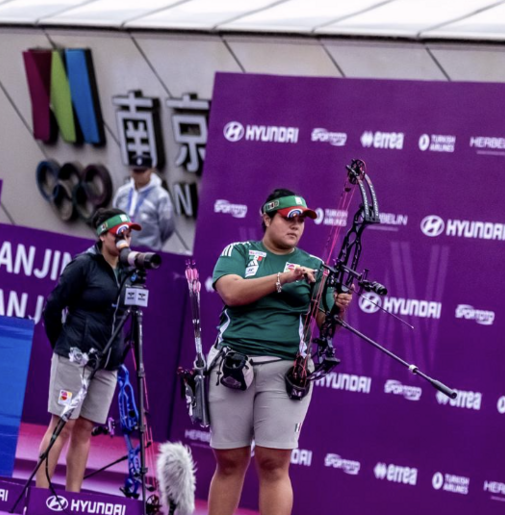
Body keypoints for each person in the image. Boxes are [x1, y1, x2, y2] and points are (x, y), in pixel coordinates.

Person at [206, 190, 352, 515]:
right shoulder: (240, 251)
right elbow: (230, 292)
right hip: (233, 364)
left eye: (301, 220)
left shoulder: (315, 265)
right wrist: (283, 279)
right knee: (230, 460)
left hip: (287, 371)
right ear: (267, 217)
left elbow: (326, 326)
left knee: (274, 462)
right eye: (289, 218)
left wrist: (339, 308)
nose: (296, 226)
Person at [35, 208, 140, 492]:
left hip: (108, 363)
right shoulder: (83, 264)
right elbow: (53, 308)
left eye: (129, 233)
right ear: (103, 234)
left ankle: (74, 497)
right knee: (62, 425)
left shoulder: (130, 270)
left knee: (84, 430)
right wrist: (65, 346)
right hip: (75, 355)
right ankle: (40, 495)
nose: (126, 239)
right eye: (120, 233)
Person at [112, 154, 175, 251]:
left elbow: (167, 228)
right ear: (131, 171)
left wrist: (155, 243)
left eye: (143, 171)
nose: (139, 175)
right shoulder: (122, 192)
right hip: (122, 251)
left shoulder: (161, 196)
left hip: (148, 254)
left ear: (151, 170)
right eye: (136, 171)